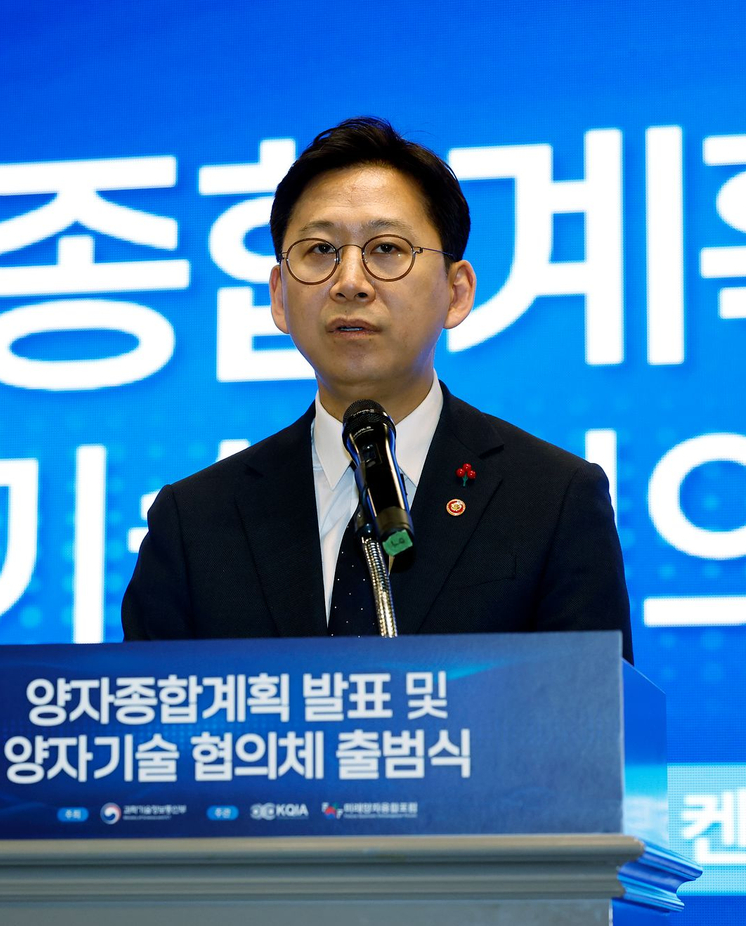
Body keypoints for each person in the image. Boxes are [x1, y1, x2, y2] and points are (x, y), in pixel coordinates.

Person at [122, 117, 632, 662]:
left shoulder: (552, 498)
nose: (349, 281)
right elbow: (151, 736)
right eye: (319, 251)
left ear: (457, 292)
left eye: (386, 249)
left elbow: (593, 727)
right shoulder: (195, 520)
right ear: (278, 295)